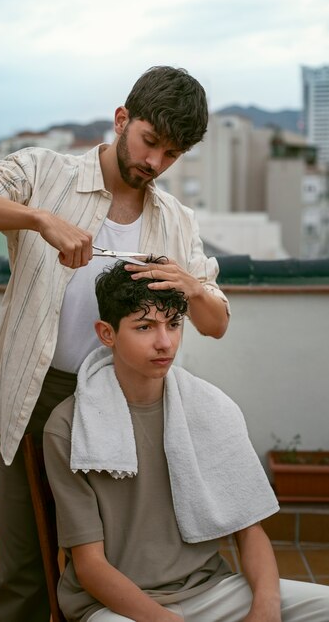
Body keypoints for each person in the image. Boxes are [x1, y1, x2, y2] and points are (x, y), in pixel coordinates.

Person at [0, 66, 230, 622]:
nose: (156, 164)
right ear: (121, 120)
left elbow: (215, 323)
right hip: (38, 398)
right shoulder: (44, 172)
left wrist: (192, 286)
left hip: (131, 408)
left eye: (172, 155)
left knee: (117, 566)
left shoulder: (176, 222)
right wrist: (39, 219)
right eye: (150, 143)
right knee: (26, 569)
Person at [43, 260, 329, 622]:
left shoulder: (211, 410)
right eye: (144, 327)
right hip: (117, 607)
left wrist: (266, 609)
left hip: (210, 591)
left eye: (174, 324)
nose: (164, 342)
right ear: (107, 333)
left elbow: (250, 532)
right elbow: (90, 567)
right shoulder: (69, 426)